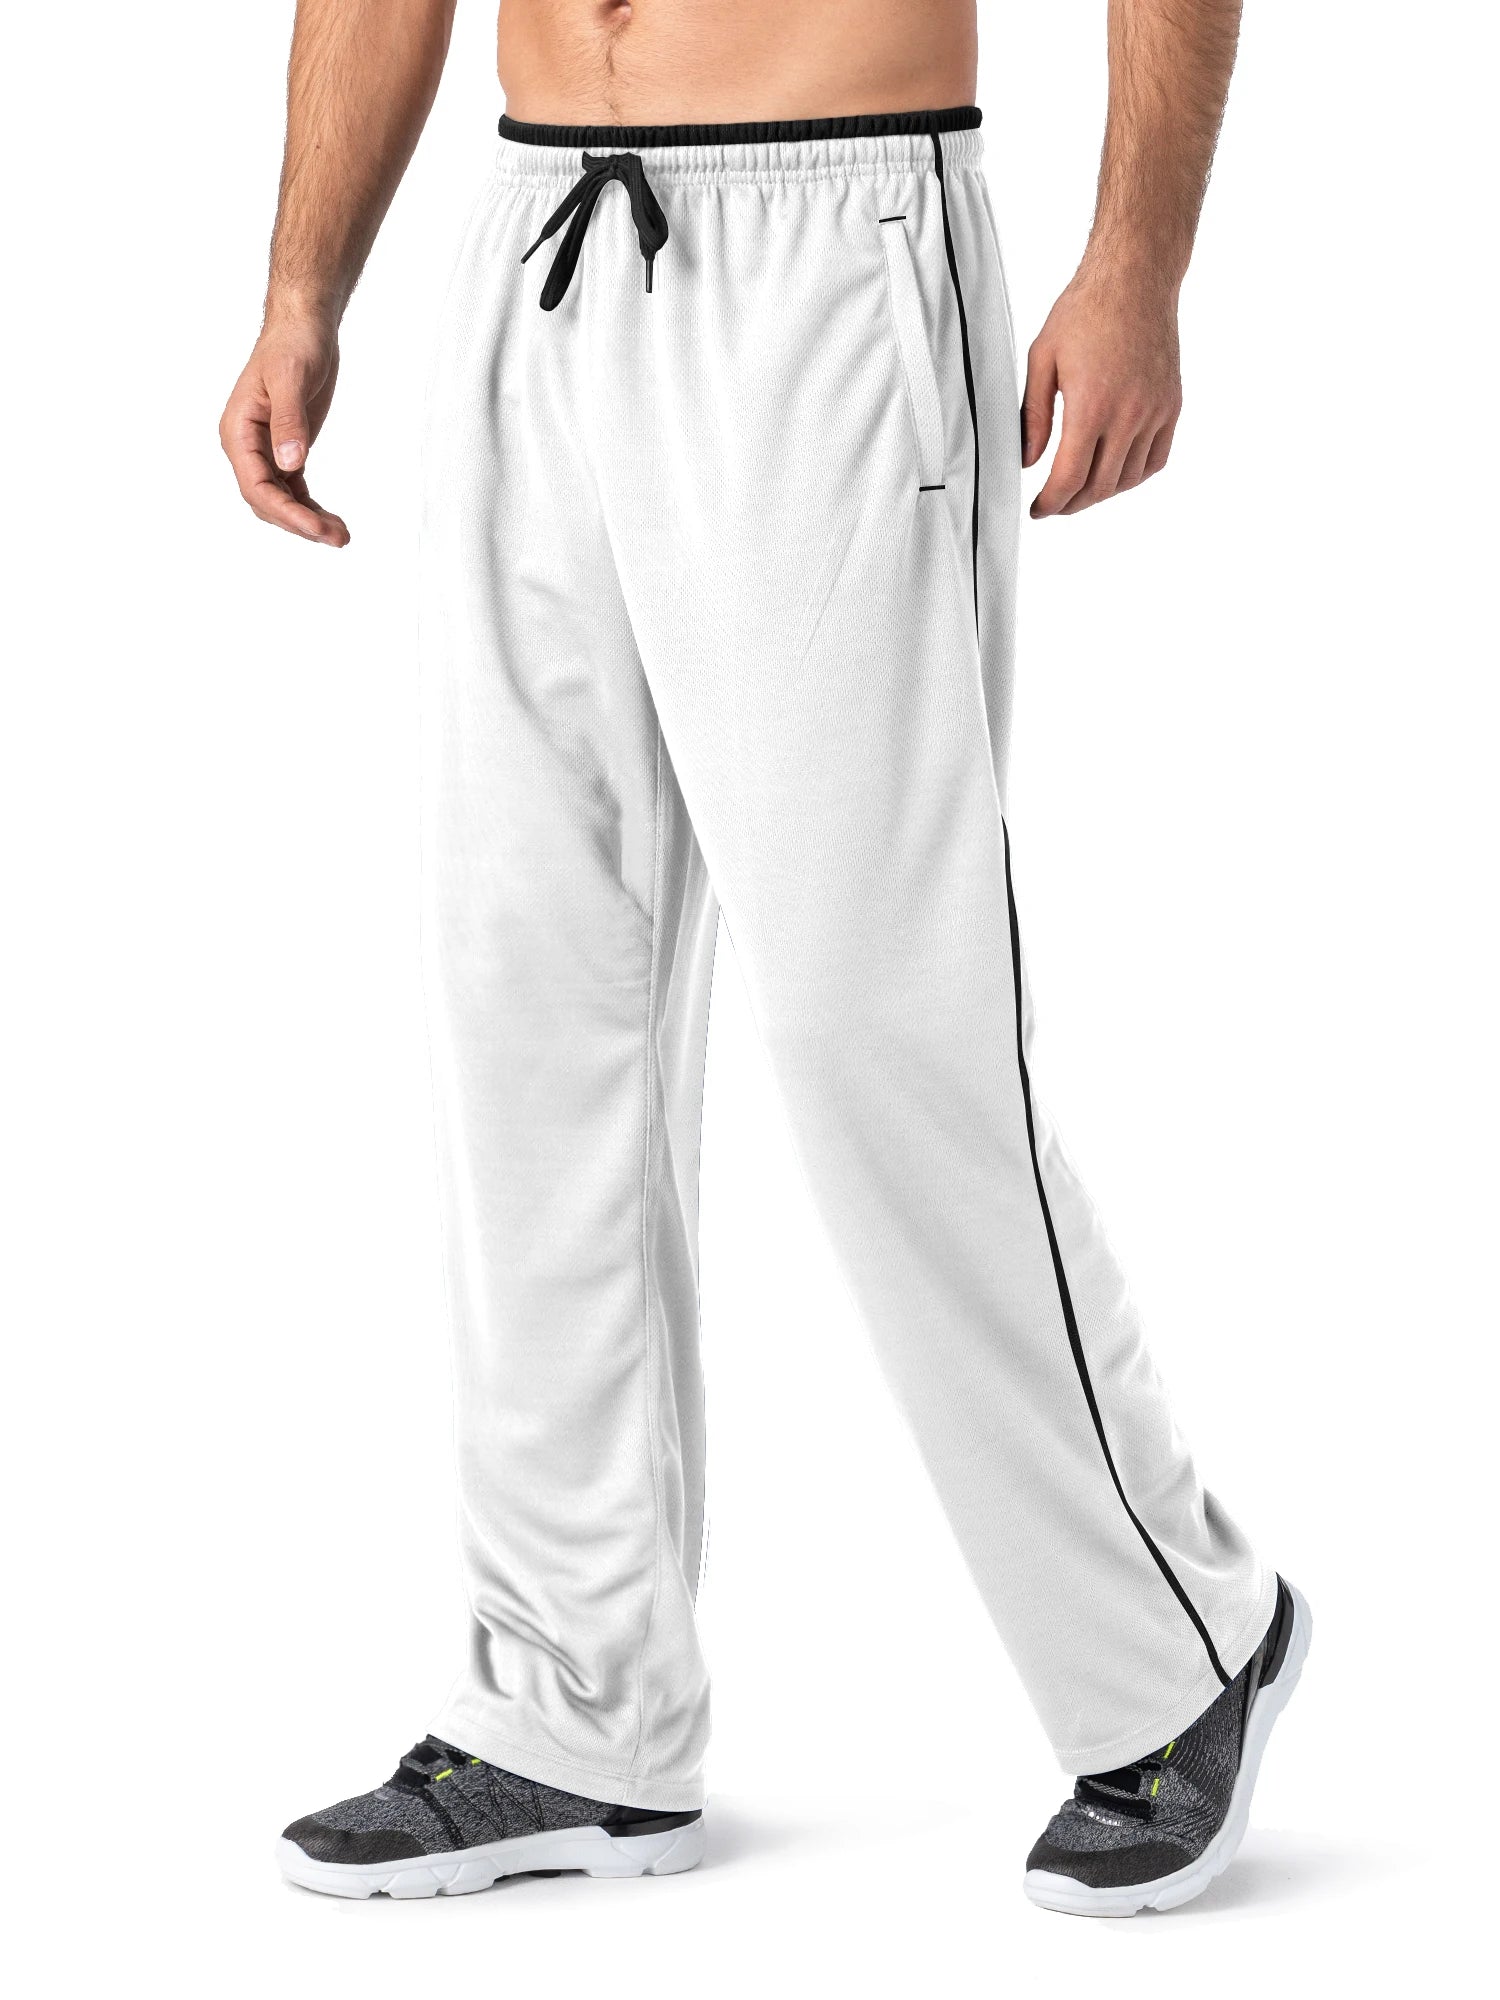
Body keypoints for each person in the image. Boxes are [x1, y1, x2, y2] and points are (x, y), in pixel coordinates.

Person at [222, 0, 1309, 1917]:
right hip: (537, 240)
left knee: (879, 1012)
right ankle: (577, 1710)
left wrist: (1137, 262)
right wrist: (302, 284)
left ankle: (1177, 1644)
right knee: (534, 998)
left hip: (834, 230)